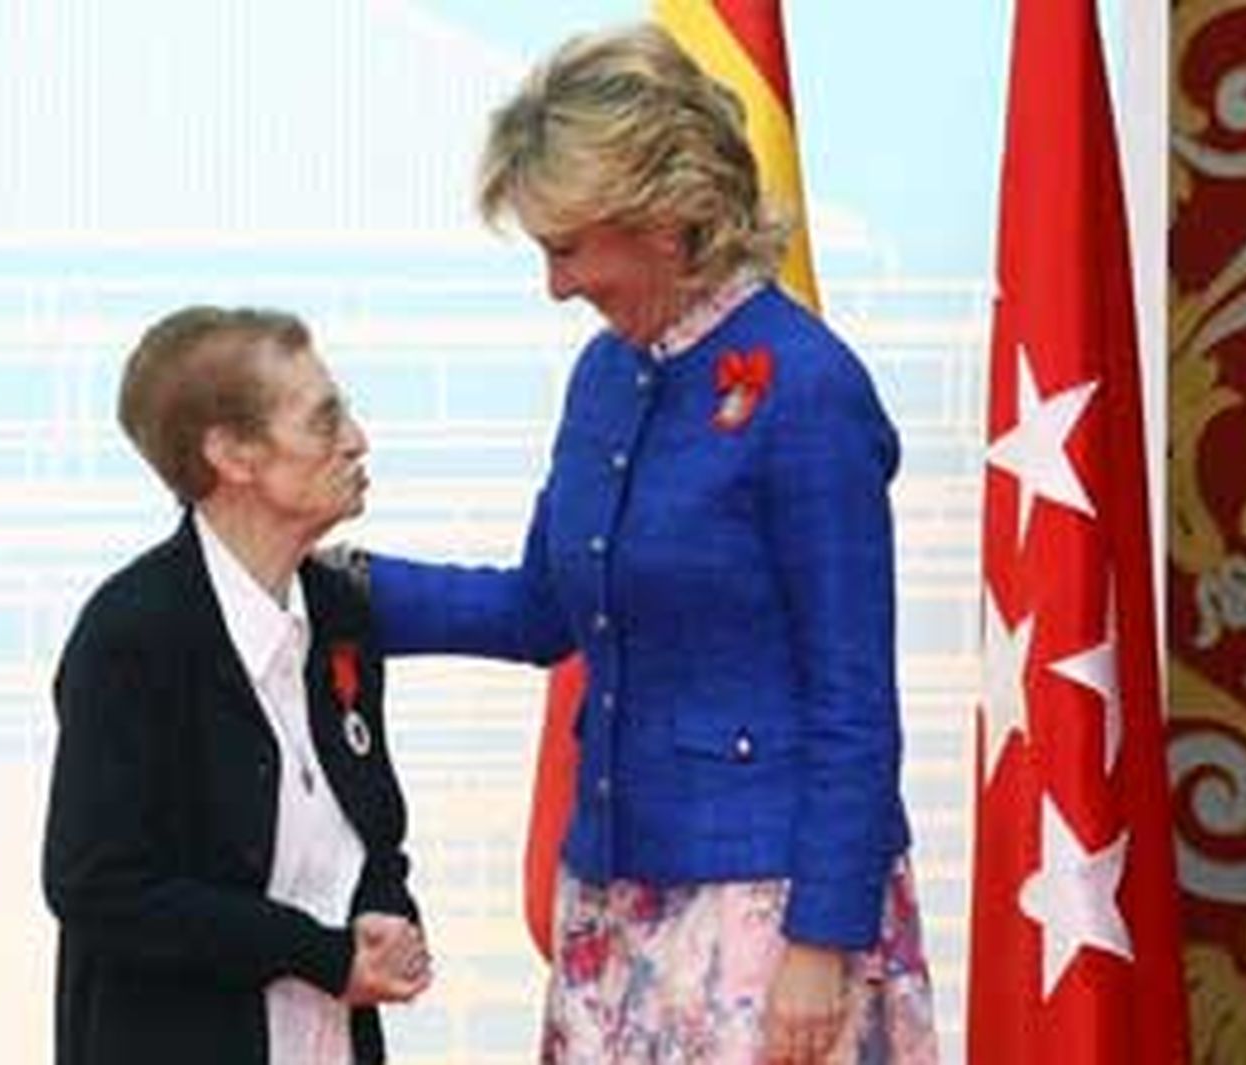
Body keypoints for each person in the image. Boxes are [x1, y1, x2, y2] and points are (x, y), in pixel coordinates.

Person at [361, 23, 936, 1065]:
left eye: (567, 249)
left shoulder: (808, 387)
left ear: (664, 218)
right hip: (616, 895)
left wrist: (824, 937)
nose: (556, 286)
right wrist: (335, 587)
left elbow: (852, 696)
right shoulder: (605, 377)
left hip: (772, 913)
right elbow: (541, 610)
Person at [42, 306, 430, 1065]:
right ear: (231, 454)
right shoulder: (132, 634)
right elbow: (98, 885)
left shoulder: (343, 615)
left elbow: (371, 829)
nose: (357, 439)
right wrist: (318, 953)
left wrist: (386, 912)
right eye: (324, 420)